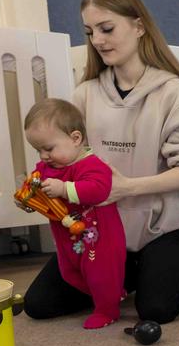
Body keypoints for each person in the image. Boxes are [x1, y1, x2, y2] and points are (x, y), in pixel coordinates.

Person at [24, 0, 179, 325]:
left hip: (157, 231)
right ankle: (127, 275)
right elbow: (64, 158)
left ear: (139, 27)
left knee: (156, 310)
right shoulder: (84, 95)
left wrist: (125, 187)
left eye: (107, 28)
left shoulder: (176, 95)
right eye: (90, 31)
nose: (97, 40)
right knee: (39, 304)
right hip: (99, 231)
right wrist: (39, 188)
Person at [21, 98, 126, 329]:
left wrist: (64, 189)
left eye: (48, 148)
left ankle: (108, 309)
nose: (43, 156)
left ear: (75, 138)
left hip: (99, 238)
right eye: (38, 150)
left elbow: (99, 189)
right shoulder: (48, 167)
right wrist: (30, 198)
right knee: (70, 271)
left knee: (100, 274)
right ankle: (110, 295)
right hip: (68, 238)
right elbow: (38, 185)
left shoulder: (91, 164)